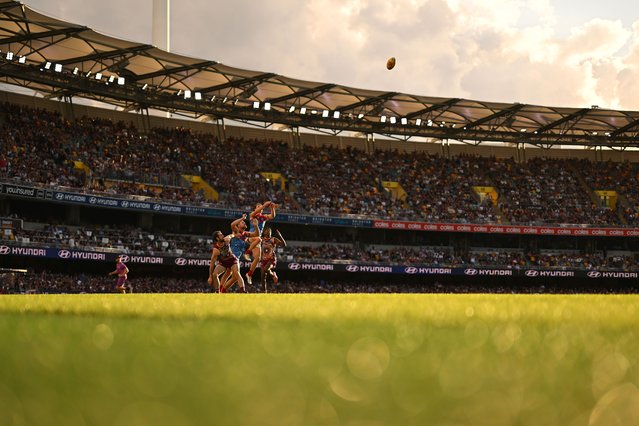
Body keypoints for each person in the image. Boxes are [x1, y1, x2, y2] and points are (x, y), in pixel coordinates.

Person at [220, 214, 260, 290]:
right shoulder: (236, 231)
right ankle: (241, 289)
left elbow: (256, 234)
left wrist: (256, 226)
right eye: (242, 222)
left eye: (244, 222)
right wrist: (242, 218)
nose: (244, 222)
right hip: (231, 255)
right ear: (238, 226)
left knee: (231, 274)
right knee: (233, 274)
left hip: (237, 256)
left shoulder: (245, 234)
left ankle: (222, 290)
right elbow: (232, 224)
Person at [245, 201, 277, 285]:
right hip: (251, 236)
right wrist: (264, 205)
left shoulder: (263, 217)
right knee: (259, 239)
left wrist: (272, 208)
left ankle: (249, 274)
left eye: (260, 207)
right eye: (258, 206)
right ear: (255, 208)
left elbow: (272, 216)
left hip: (257, 240)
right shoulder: (252, 215)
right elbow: (257, 211)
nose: (259, 208)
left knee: (257, 258)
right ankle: (247, 253)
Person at [260, 227, 286, 293]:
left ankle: (273, 275)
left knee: (266, 269)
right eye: (267, 230)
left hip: (271, 259)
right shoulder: (261, 239)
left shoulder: (273, 239)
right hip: (263, 260)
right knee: (263, 276)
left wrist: (280, 236)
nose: (269, 231)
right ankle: (264, 291)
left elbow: (284, 245)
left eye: (270, 231)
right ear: (264, 233)